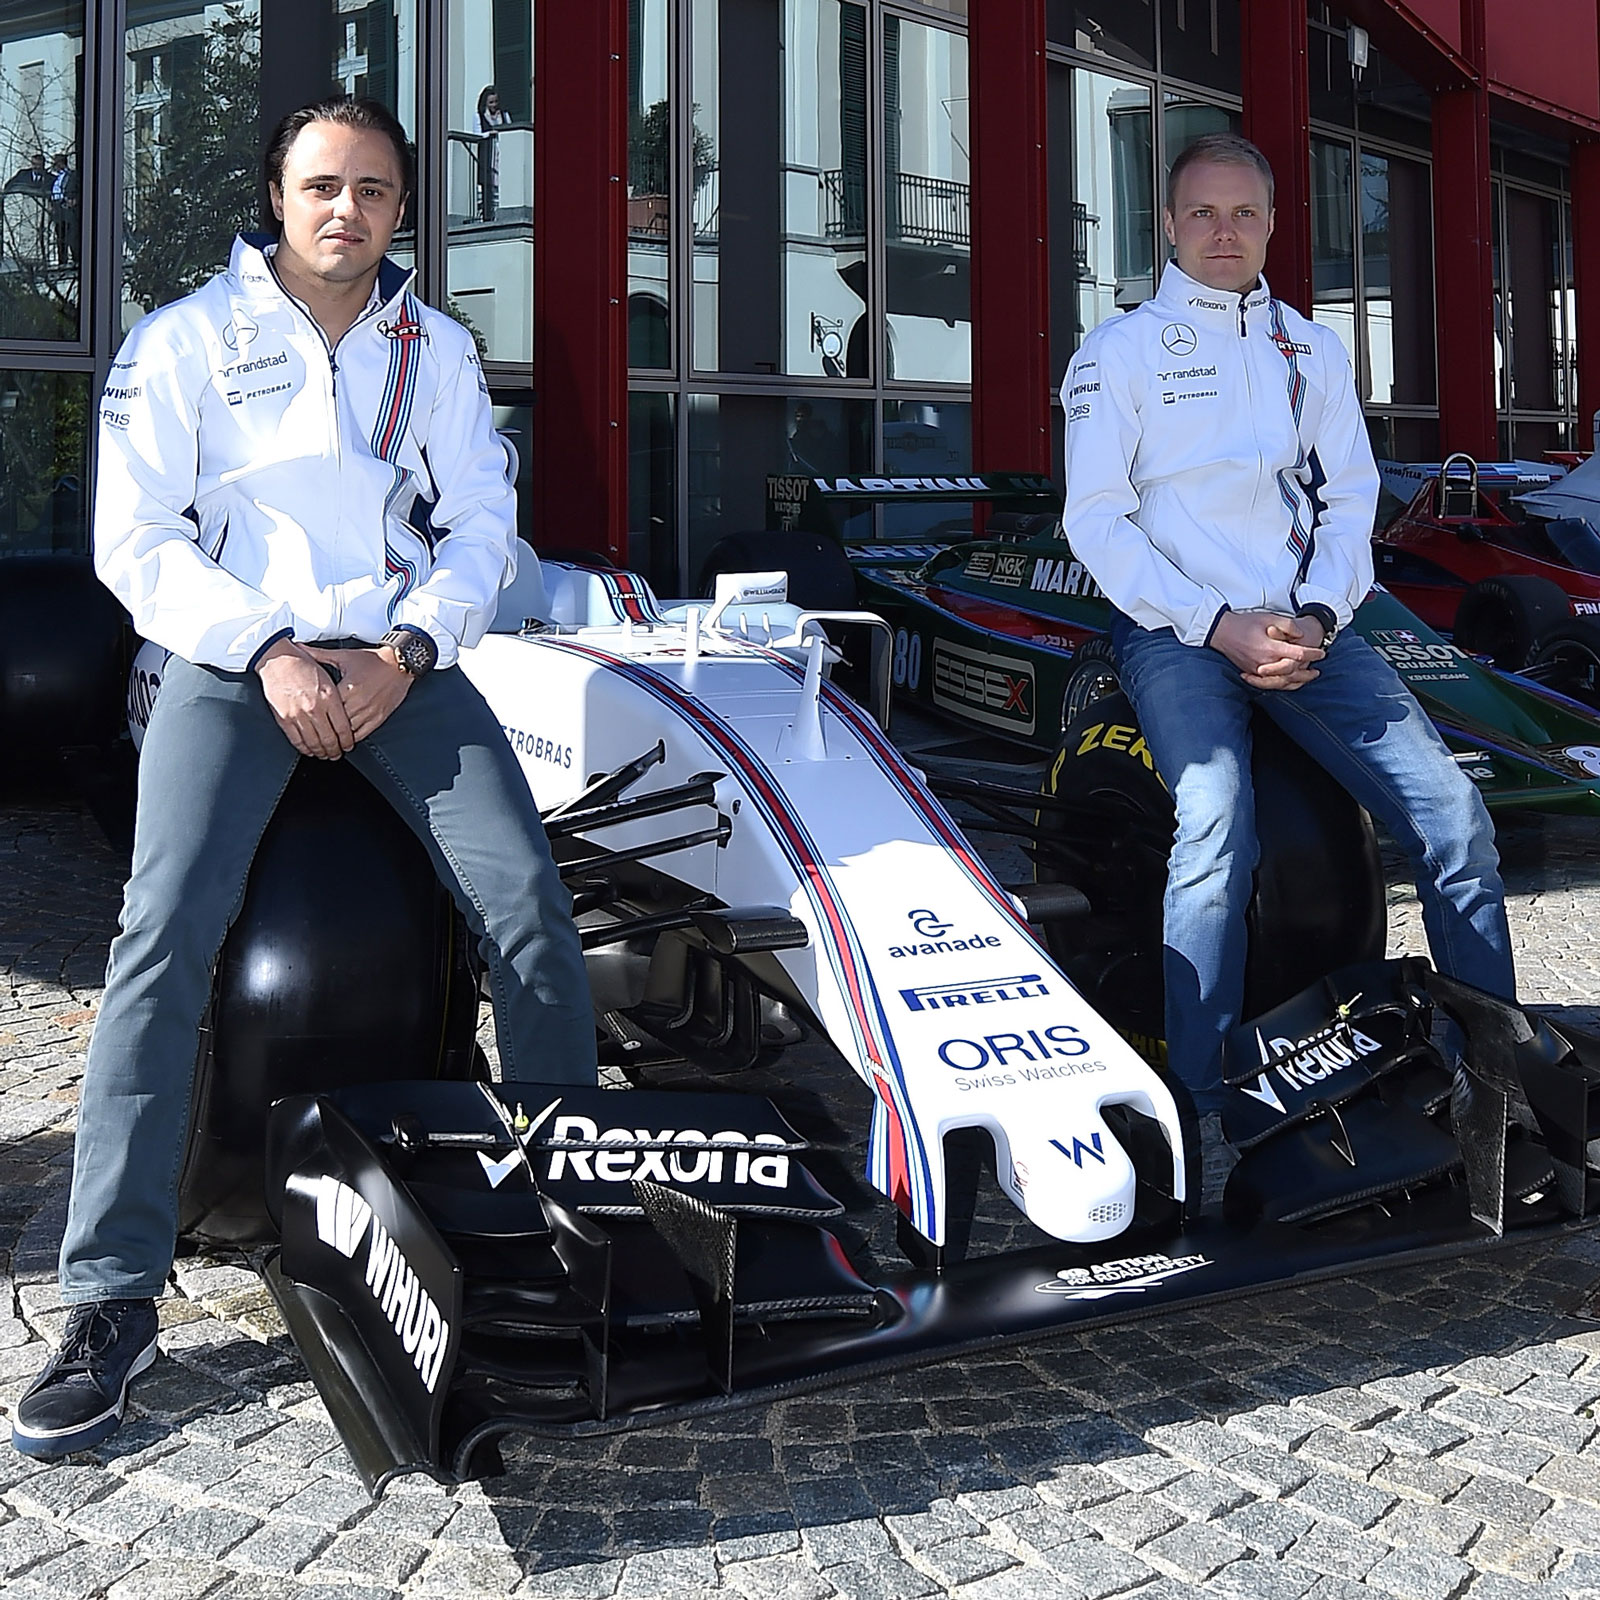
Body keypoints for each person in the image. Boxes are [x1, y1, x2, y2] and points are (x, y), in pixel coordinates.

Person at [11, 96, 596, 1459]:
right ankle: (110, 1297)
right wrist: (267, 648)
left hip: (402, 666)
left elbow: (482, 533)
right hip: (233, 665)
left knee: (533, 918)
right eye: (323, 186)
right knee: (159, 944)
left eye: (377, 190)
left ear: (402, 208)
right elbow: (136, 543)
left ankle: (563, 1235)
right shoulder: (182, 343)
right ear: (277, 197)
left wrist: (407, 647)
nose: (349, 210)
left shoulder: (436, 350)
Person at [1059, 133, 1514, 1204]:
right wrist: (1217, 625)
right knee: (1215, 819)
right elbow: (1095, 520)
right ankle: (1198, 1105)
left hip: (1314, 631)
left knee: (1453, 819)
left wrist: (1315, 614)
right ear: (1167, 227)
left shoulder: (1310, 347)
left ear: (1272, 225)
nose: (1225, 233)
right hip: (1173, 633)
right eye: (1203, 214)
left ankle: (1489, 1072)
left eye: (1246, 215)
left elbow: (1349, 499)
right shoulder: (1114, 351)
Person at [474, 85, 511, 222]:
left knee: (502, 180)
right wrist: (491, 133)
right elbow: (477, 134)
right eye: (491, 102)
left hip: (501, 152)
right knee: (488, 181)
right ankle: (488, 213)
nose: (494, 105)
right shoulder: (479, 116)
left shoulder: (504, 115)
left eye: (496, 101)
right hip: (488, 153)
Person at [49, 152, 79, 266]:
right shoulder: (54, 178)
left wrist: (75, 200)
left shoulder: (73, 175)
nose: (54, 166)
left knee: (71, 236)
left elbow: (79, 189)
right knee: (60, 236)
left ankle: (76, 260)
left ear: (61, 163)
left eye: (55, 163)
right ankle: (62, 261)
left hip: (68, 208)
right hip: (57, 208)